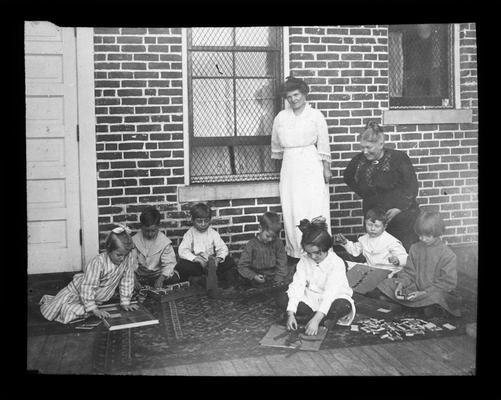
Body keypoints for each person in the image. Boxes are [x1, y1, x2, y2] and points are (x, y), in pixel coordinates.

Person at [271, 76, 332, 260]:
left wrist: (326, 168)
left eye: (296, 95)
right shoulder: (281, 117)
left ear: (304, 94)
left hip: (311, 164)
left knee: (314, 204)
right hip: (290, 165)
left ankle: (320, 247)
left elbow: (324, 143)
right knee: (293, 205)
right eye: (289, 96)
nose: (293, 99)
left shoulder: (315, 116)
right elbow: (276, 144)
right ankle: (297, 251)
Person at [343, 121, 420, 251]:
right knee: (377, 250)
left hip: (400, 214)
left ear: (381, 144)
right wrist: (365, 194)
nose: (365, 152)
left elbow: (411, 186)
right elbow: (347, 177)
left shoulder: (398, 158)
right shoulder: (359, 160)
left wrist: (399, 208)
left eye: (369, 147)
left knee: (401, 250)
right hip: (375, 215)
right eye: (362, 147)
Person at [39, 225, 139, 324]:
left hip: (97, 298)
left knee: (89, 312)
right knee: (75, 312)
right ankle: (74, 306)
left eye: (125, 255)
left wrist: (126, 302)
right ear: (109, 249)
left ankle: (89, 307)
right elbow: (88, 286)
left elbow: (127, 280)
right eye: (119, 255)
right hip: (79, 293)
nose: (122, 258)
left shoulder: (127, 259)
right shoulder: (98, 263)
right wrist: (94, 309)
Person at [276, 218, 356, 336]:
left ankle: (312, 319)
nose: (313, 257)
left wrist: (316, 319)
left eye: (317, 253)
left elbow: (330, 293)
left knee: (343, 305)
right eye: (309, 253)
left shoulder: (336, 263)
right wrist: (291, 314)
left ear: (326, 248)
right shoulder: (304, 260)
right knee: (283, 298)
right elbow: (297, 286)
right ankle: (322, 320)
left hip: (333, 298)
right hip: (310, 298)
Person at [374, 211, 460, 317]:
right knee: (386, 283)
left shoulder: (447, 254)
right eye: (420, 235)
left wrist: (424, 293)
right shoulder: (415, 248)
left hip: (432, 292)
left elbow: (447, 283)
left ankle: (415, 306)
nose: (422, 239)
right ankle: (418, 307)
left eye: (427, 236)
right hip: (414, 289)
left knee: (438, 297)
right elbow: (409, 272)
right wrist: (401, 284)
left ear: (438, 233)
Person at [176, 203, 236, 293]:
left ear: (210, 220)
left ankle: (222, 282)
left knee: (229, 261)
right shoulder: (190, 233)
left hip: (211, 264)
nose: (203, 224)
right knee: (182, 265)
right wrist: (196, 259)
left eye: (206, 221)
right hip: (198, 265)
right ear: (193, 220)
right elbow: (182, 250)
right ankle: (199, 280)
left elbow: (223, 248)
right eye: (199, 221)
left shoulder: (213, 233)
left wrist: (218, 259)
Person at [334, 207, 407, 275]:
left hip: (388, 271)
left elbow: (405, 257)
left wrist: (397, 260)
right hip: (371, 269)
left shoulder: (391, 241)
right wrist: (345, 243)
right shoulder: (364, 239)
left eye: (377, 226)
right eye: (369, 225)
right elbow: (355, 251)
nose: (372, 229)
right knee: (345, 264)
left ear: (385, 227)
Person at [236, 211, 289, 287]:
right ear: (260, 229)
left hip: (274, 275)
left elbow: (282, 262)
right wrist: (253, 276)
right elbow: (242, 266)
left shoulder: (278, 243)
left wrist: (278, 278)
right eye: (268, 236)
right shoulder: (252, 245)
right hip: (257, 276)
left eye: (273, 237)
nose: (270, 239)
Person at [132, 206, 180, 290]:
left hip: (158, 275)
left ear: (158, 226)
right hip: (141, 275)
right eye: (146, 231)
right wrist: (134, 280)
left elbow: (169, 264)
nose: (150, 234)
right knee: (124, 280)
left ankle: (155, 283)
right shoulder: (135, 241)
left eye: (153, 231)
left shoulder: (164, 242)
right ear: (141, 226)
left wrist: (161, 279)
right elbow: (131, 263)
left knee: (174, 277)